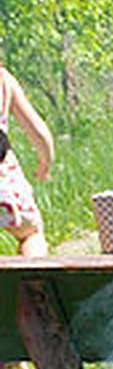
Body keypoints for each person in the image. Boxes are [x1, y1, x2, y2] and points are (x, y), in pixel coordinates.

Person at [0, 64, 53, 256]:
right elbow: (39, 132)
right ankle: (33, 281)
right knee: (30, 234)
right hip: (2, 176)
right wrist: (44, 163)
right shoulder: (3, 80)